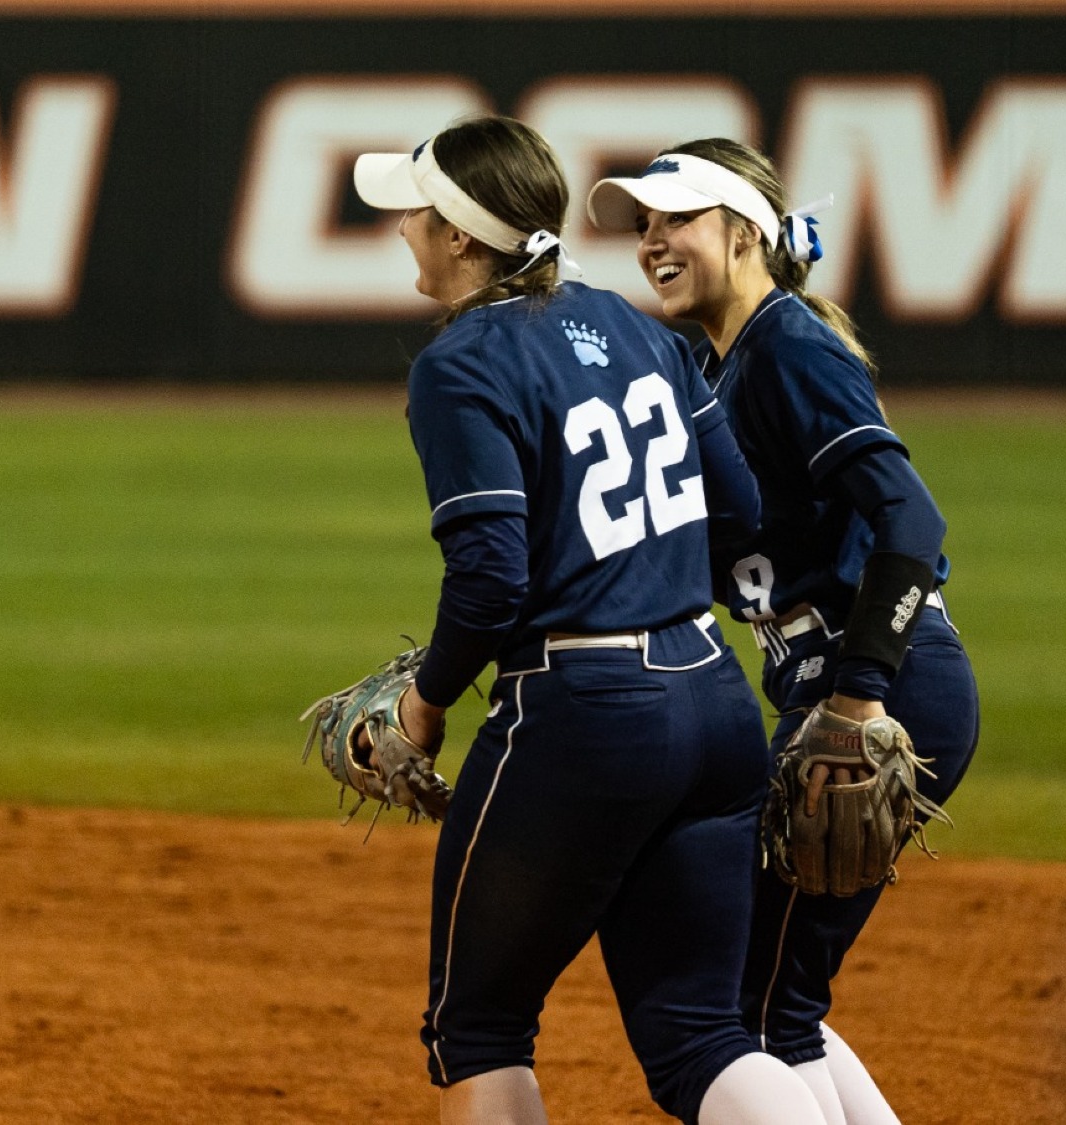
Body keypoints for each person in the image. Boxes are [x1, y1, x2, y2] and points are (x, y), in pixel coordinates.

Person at [349, 116, 827, 1125]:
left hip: (583, 718)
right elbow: (739, 508)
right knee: (701, 1034)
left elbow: (489, 579)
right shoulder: (642, 328)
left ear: (461, 236)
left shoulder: (459, 362)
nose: (402, 230)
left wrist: (425, 706)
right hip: (714, 703)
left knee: (478, 1027)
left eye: (417, 214)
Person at [589, 140, 982, 1124]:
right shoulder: (718, 368)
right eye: (643, 225)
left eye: (676, 218)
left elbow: (914, 522)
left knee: (752, 1009)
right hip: (830, 694)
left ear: (744, 232)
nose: (652, 241)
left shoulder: (788, 346)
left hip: (877, 688)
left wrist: (859, 698)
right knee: (773, 997)